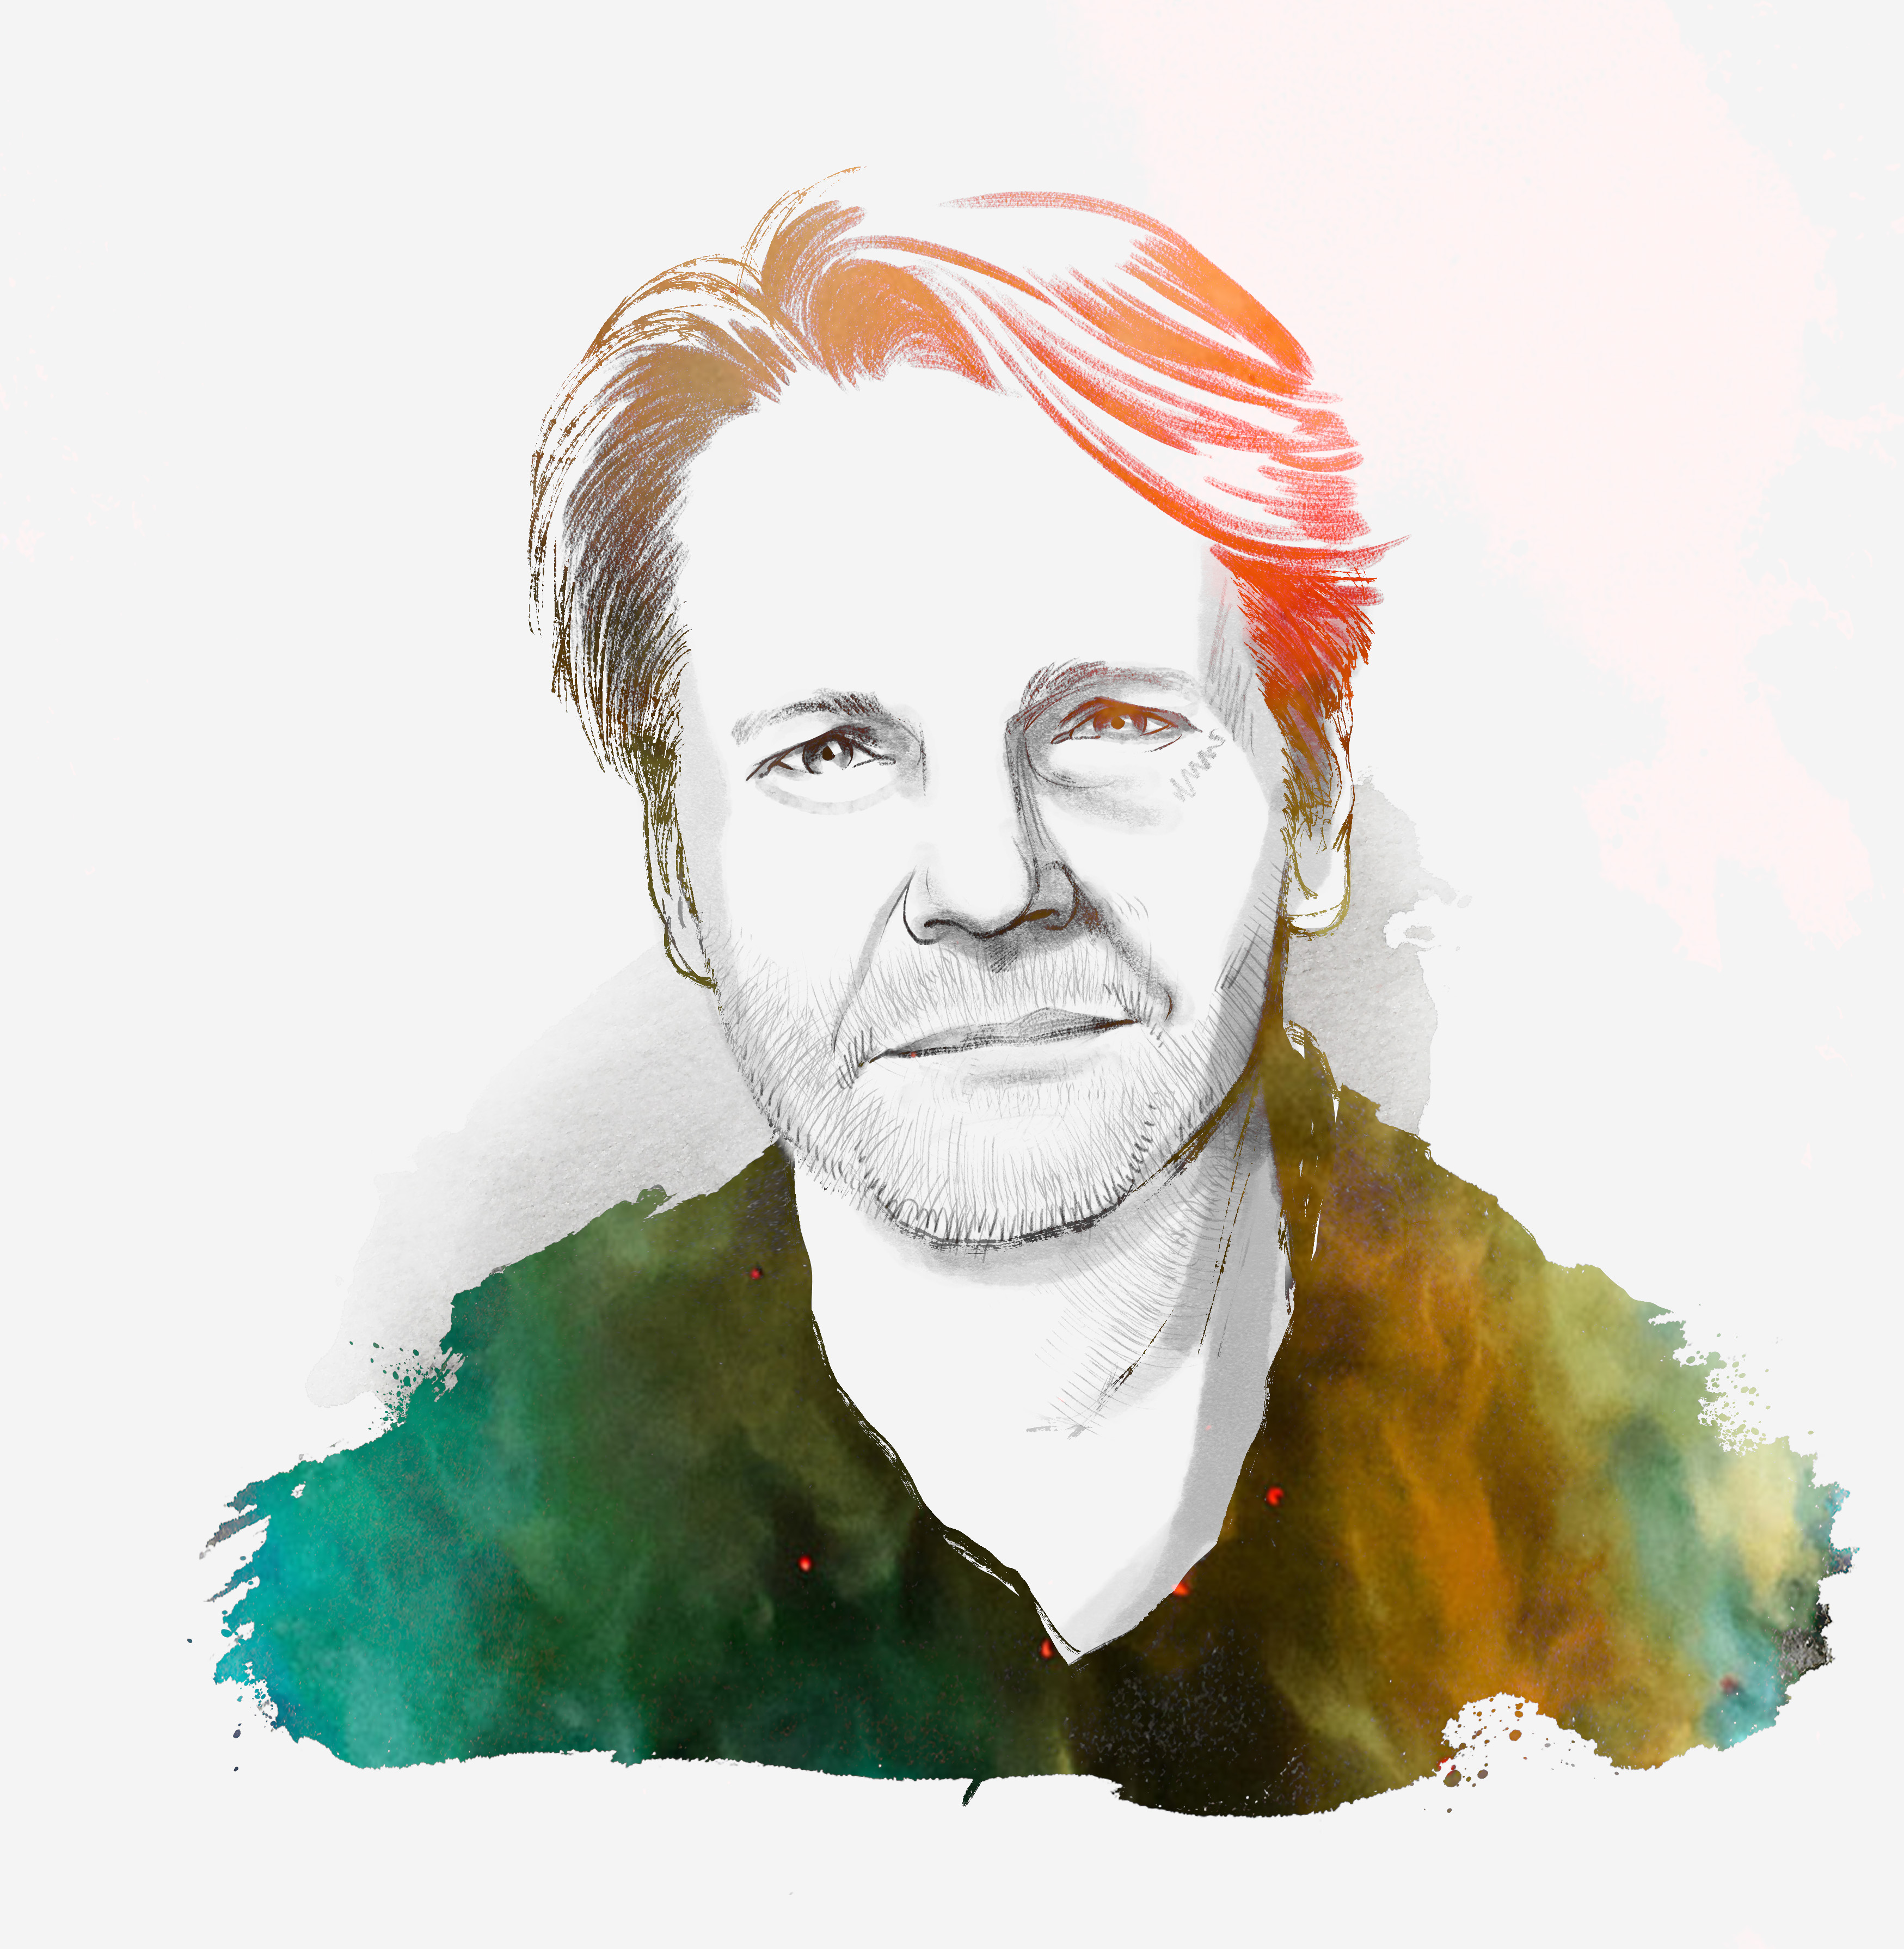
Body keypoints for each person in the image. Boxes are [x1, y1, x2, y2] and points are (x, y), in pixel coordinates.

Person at [213, 179, 1842, 1814]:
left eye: (1111, 723)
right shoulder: (384, 1612)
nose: (989, 885)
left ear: (1312, 802)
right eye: (831, 751)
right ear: (675, 871)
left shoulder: (1709, 1579)